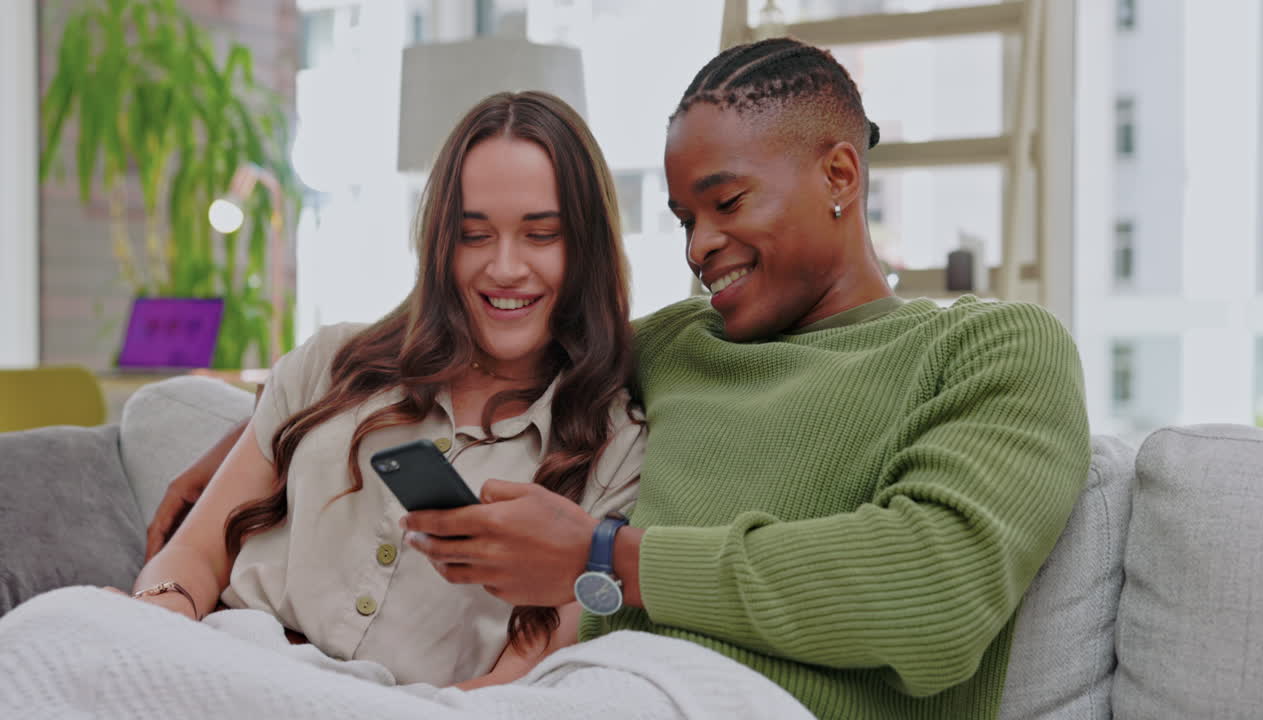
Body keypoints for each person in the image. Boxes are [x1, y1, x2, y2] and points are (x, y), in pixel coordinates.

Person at [142, 38, 1090, 719]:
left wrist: (608, 558)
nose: (702, 247)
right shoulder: (678, 345)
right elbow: (488, 346)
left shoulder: (995, 349)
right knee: (54, 636)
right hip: (589, 689)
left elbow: (933, 598)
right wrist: (265, 425)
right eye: (683, 220)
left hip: (704, 700)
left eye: (725, 204)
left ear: (840, 172)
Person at [109, 89, 646, 688]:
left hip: (401, 706)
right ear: (441, 243)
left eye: (541, 234)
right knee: (43, 627)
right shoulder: (330, 363)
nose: (505, 267)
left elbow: (510, 686)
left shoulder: (616, 448)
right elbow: (197, 554)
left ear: (588, 247)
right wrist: (155, 620)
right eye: (474, 235)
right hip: (214, 661)